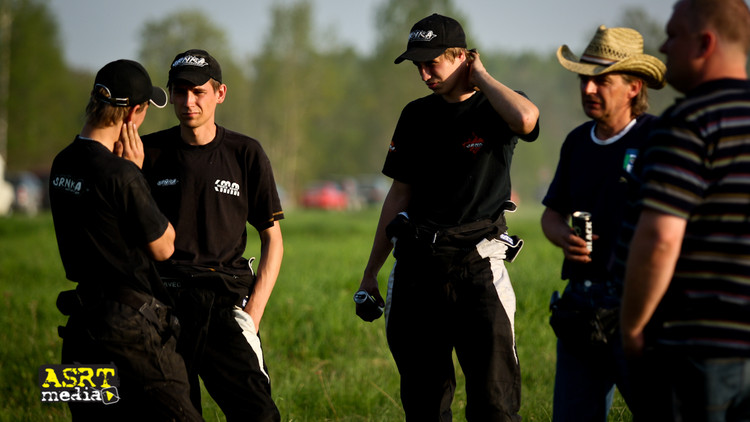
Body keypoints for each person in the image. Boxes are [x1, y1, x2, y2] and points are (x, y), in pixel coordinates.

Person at [356, 14, 540, 421]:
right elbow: (398, 195)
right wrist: (371, 271)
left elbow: (527, 120)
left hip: (479, 266)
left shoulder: (496, 106)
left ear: (461, 56)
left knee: (494, 401)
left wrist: (484, 77)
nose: (423, 75)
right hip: (417, 267)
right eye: (417, 66)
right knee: (424, 403)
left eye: (431, 64)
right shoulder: (415, 115)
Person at [48, 59, 203, 421]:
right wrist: (136, 173)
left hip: (79, 325)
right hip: (130, 329)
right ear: (133, 113)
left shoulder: (61, 164)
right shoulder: (122, 174)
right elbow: (164, 247)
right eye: (145, 109)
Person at [620, 0, 750, 420]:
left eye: (674, 34)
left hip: (698, 350)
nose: (663, 45)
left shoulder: (687, 122)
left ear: (704, 43)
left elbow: (660, 239)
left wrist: (633, 326)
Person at [141, 49, 284, 421]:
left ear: (220, 93)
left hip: (225, 303)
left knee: (260, 415)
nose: (188, 102)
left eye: (198, 92)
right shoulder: (149, 153)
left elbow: (273, 238)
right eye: (180, 91)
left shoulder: (245, 152)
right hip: (165, 305)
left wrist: (253, 312)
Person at [540, 26, 666, 422]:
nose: (589, 90)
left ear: (634, 86)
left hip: (641, 308)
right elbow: (550, 214)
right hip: (580, 307)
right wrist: (561, 235)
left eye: (601, 82)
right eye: (584, 80)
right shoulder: (577, 142)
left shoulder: (658, 139)